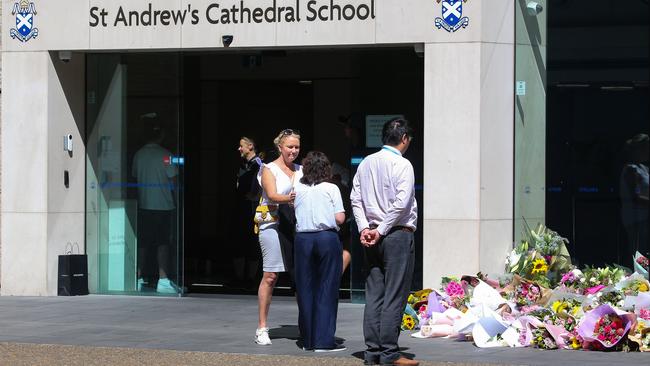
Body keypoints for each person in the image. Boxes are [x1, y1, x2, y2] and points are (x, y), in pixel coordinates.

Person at [351, 118, 419, 366]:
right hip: (396, 234)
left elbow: (355, 198)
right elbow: (401, 203)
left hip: (372, 234)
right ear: (404, 138)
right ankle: (389, 352)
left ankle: (373, 352)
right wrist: (381, 230)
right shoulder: (403, 164)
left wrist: (365, 228)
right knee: (394, 294)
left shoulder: (366, 163)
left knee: (375, 293)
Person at [293, 151, 346, 352]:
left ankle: (308, 339)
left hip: (303, 240)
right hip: (326, 237)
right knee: (327, 288)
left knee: (305, 289)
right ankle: (324, 340)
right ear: (326, 169)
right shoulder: (331, 188)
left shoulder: (297, 188)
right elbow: (339, 218)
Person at [254, 129, 303, 345]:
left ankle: (306, 324)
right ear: (280, 147)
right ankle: (262, 327)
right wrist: (291, 198)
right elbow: (272, 195)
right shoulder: (268, 169)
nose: (294, 151)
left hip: (297, 226)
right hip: (272, 224)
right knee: (271, 275)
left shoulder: (302, 170)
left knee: (300, 278)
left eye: (297, 147)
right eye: (290, 147)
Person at [132, 122, 179, 294]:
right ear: (161, 136)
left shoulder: (139, 155)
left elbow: (135, 176)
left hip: (144, 204)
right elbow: (174, 180)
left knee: (143, 242)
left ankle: (137, 277)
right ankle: (163, 279)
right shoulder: (166, 155)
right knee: (163, 242)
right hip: (163, 205)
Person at [232, 137, 263, 289]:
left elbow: (263, 185)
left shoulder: (258, 165)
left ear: (250, 146)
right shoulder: (242, 164)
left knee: (252, 244)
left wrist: (255, 196)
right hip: (240, 209)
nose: (239, 149)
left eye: (241, 146)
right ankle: (239, 278)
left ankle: (250, 278)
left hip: (252, 211)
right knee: (239, 242)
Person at [619, 133, 649, 262]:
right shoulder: (631, 169)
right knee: (639, 252)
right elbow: (635, 196)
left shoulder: (644, 168)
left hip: (645, 216)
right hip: (636, 218)